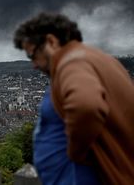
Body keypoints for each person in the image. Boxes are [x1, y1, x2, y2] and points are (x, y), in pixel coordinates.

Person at [13, 12, 134, 184]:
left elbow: (86, 106)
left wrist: (75, 152)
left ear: (51, 42)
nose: (33, 64)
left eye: (32, 55)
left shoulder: (72, 62)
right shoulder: (104, 60)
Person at [34, 86, 99, 184]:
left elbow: (88, 107)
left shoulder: (68, 71)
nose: (34, 69)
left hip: (73, 177)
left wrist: (75, 151)